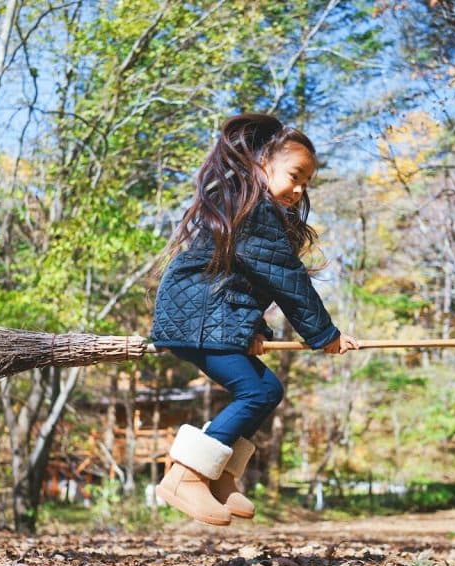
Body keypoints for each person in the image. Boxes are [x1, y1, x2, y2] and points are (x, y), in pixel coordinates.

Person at [150, 113, 358, 525]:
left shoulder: (250, 209)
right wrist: (325, 334)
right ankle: (187, 475)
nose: (299, 190)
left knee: (268, 388)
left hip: (209, 315)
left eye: (306, 184)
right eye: (294, 176)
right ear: (263, 164)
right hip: (196, 319)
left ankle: (221, 474)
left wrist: (253, 330)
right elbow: (286, 279)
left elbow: (243, 282)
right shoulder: (255, 210)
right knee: (256, 392)